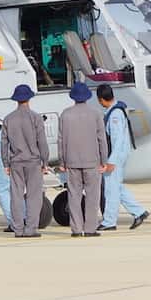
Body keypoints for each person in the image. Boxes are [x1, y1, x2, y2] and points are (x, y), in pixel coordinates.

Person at [57, 82, 112, 236]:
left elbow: (61, 140)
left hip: (72, 162)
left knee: (73, 196)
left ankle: (75, 229)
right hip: (92, 161)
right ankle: (90, 229)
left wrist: (62, 161)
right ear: (87, 97)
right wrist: (104, 160)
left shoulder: (65, 114)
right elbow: (101, 139)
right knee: (93, 197)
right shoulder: (95, 114)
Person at [0, 84, 50, 236]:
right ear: (29, 98)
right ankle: (30, 229)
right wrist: (45, 161)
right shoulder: (35, 117)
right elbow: (42, 142)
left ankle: (18, 228)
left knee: (16, 196)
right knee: (34, 196)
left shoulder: (8, 119)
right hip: (33, 162)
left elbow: (4, 144)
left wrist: (6, 163)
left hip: (16, 162)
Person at [97, 83, 148, 231]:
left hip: (116, 156)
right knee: (116, 187)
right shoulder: (115, 111)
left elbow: (117, 139)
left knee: (111, 189)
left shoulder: (115, 114)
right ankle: (139, 212)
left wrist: (111, 160)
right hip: (118, 155)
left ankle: (109, 222)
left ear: (101, 99)